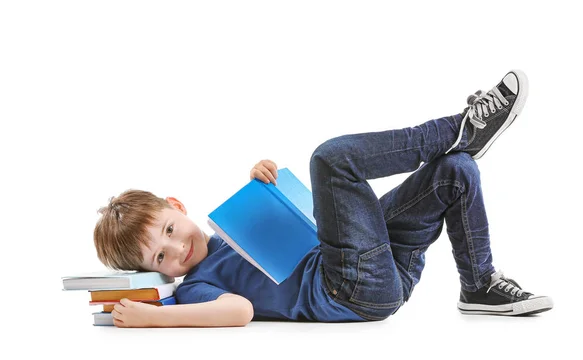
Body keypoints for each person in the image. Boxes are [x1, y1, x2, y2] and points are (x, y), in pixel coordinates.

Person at [94, 69, 553, 328]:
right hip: (348, 290)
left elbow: (316, 219)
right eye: (160, 256)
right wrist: (153, 319)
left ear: (176, 206)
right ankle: (460, 129)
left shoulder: (232, 224)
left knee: (456, 171)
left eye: (170, 231)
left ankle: (478, 285)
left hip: (382, 266)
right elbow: (240, 310)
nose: (177, 250)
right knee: (331, 160)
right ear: (154, 271)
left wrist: (265, 184)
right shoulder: (197, 285)